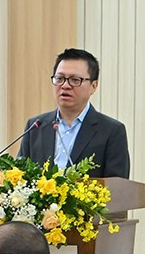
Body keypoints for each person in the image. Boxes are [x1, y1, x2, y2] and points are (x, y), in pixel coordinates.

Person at [16, 49, 130, 180]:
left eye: (75, 80)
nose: (65, 85)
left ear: (94, 86)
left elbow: (117, 188)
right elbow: (21, 176)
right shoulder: (36, 126)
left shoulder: (112, 131)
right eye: (59, 79)